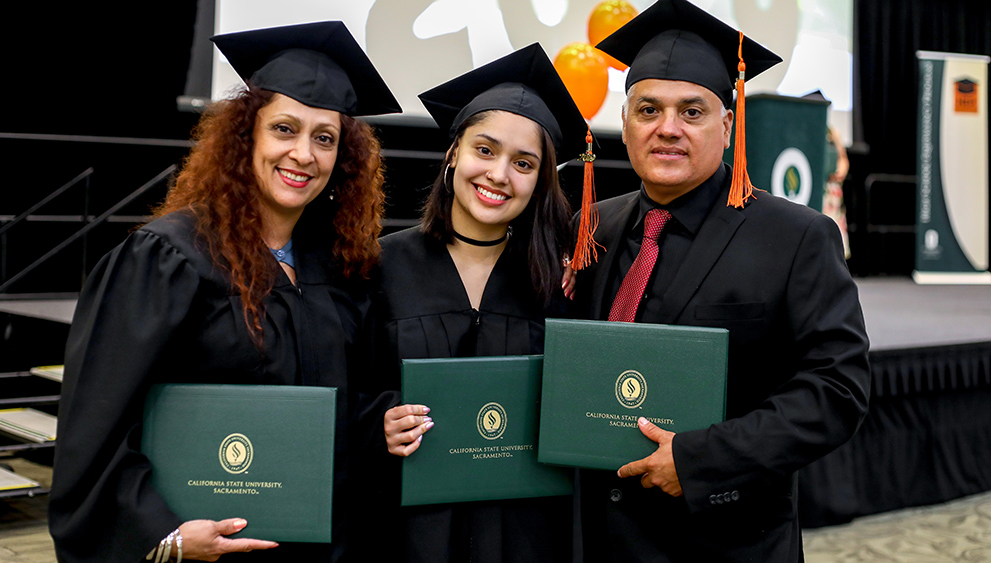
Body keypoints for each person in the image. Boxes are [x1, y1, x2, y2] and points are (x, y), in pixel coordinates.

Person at [48, 21, 400, 563]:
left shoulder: (340, 270)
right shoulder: (169, 257)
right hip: (207, 552)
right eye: (284, 129)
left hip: (317, 545)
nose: (303, 154)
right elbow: (96, 423)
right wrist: (163, 535)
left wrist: (380, 423)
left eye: (323, 138)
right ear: (246, 137)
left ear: (343, 158)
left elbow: (333, 410)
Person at [568, 0, 872, 560]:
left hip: (724, 540)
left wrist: (701, 459)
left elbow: (837, 390)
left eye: (692, 111)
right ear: (626, 122)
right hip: (599, 538)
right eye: (648, 109)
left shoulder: (796, 237)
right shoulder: (591, 229)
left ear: (727, 125)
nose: (667, 129)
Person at [369, 44, 584, 562]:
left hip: (526, 537)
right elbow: (344, 386)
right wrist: (378, 419)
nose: (499, 174)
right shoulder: (380, 266)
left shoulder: (562, 283)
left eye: (524, 163)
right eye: (484, 150)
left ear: (539, 182)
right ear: (453, 154)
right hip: (408, 533)